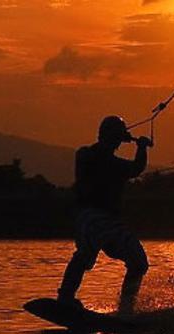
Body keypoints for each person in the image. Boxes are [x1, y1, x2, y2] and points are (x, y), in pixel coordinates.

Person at [57, 116, 153, 319]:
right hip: (96, 218)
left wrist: (131, 142)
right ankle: (69, 298)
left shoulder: (86, 155)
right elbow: (135, 168)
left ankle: (123, 309)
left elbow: (133, 168)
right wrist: (141, 147)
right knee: (88, 256)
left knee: (133, 262)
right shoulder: (90, 156)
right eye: (117, 136)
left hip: (96, 220)